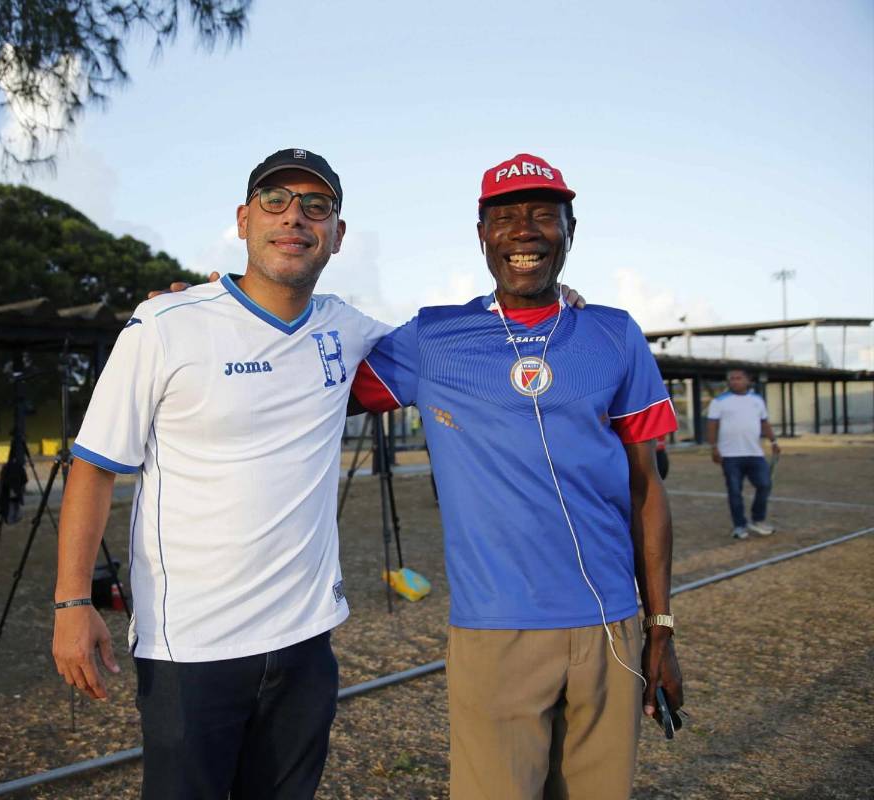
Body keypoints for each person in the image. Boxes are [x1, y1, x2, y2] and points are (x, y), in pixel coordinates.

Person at [51, 148, 392, 799]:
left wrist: (554, 306)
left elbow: (459, 343)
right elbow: (92, 468)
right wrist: (71, 603)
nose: (294, 218)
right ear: (243, 220)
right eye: (275, 201)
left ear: (338, 235)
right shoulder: (164, 324)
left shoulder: (346, 330)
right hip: (191, 652)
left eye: (316, 206)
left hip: (305, 646)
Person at [351, 153, 684, 799]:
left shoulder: (614, 334)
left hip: (608, 629)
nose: (524, 231)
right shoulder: (433, 338)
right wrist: (214, 320)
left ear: (570, 231)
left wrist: (661, 627)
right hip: (494, 629)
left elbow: (646, 488)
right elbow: (310, 380)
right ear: (482, 236)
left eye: (542, 216)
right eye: (505, 217)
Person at [706, 368, 780, 538]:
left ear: (748, 381)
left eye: (738, 378)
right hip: (730, 455)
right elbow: (711, 425)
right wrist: (713, 447)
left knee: (764, 484)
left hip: (755, 453)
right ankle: (739, 526)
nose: (734, 381)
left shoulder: (757, 400)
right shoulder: (719, 401)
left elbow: (764, 423)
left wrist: (773, 441)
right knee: (734, 491)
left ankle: (758, 519)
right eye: (731, 378)